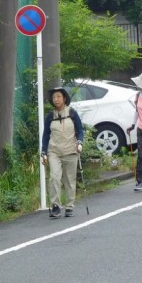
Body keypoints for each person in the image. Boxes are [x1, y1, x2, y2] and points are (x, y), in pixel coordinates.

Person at [41, 87, 84, 218]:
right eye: (54, 97)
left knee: (70, 180)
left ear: (64, 98)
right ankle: (55, 206)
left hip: (71, 150)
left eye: (58, 97)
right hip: (54, 151)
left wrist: (80, 143)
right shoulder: (50, 116)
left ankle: (69, 205)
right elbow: (46, 135)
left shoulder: (72, 113)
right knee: (54, 177)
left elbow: (80, 130)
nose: (56, 99)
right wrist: (43, 152)